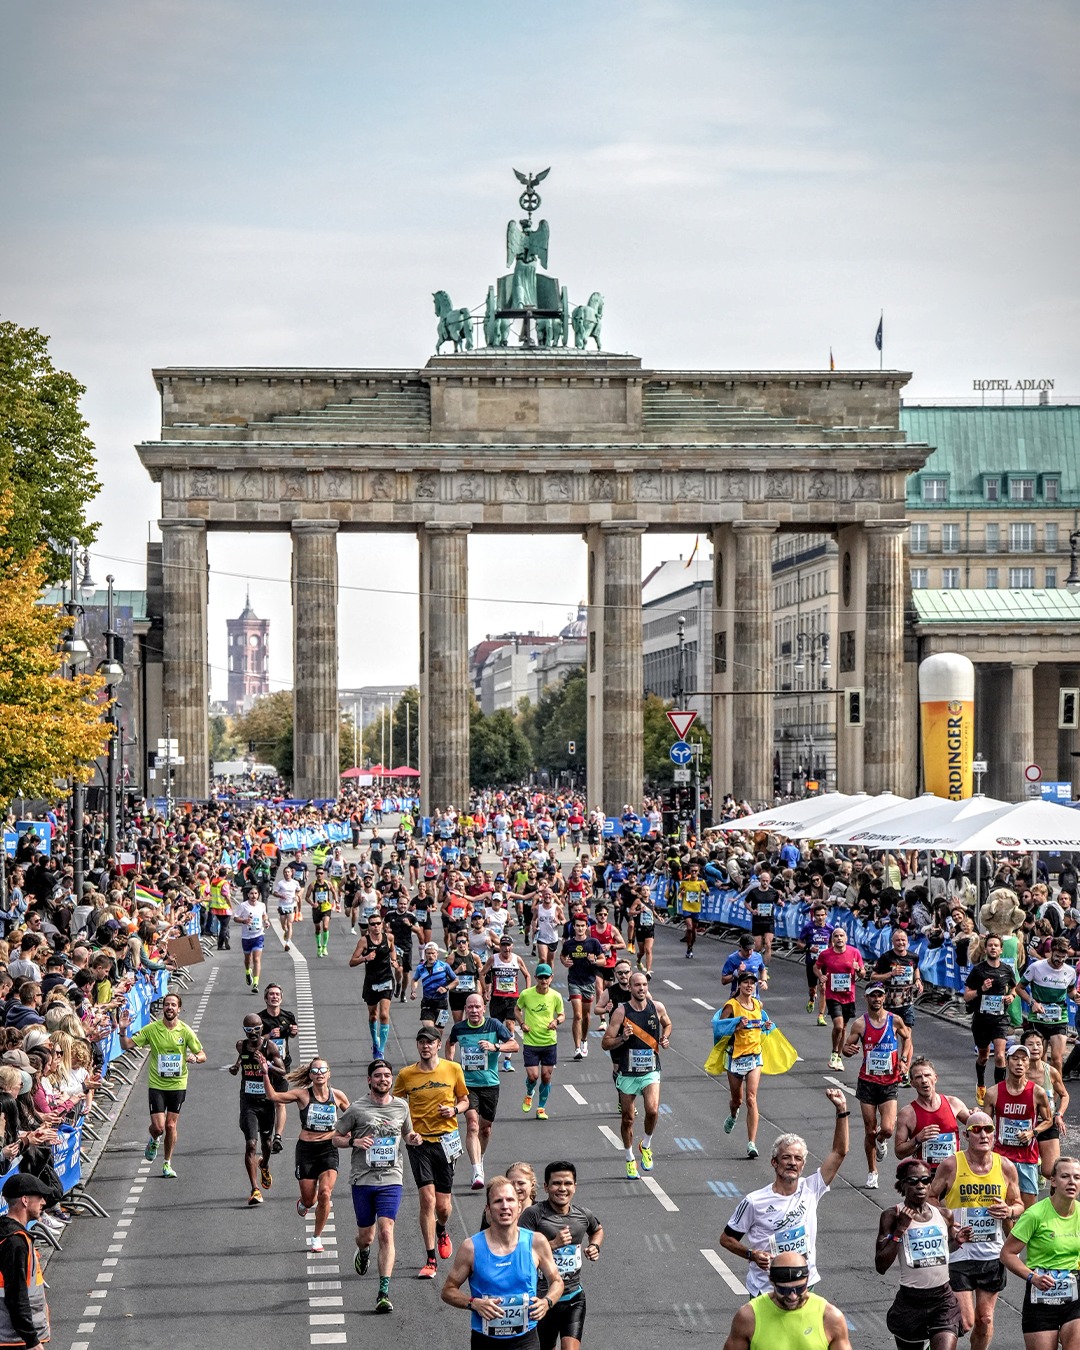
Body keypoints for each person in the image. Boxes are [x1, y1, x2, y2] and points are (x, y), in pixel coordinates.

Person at [720, 1088, 850, 1293]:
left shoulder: (811, 1188)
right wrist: (751, 1254)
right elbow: (726, 1239)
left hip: (804, 1284)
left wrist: (841, 1109)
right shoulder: (754, 1201)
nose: (792, 1163)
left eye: (798, 1159)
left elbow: (839, 1152)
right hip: (766, 1289)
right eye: (786, 1157)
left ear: (803, 1165)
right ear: (774, 1162)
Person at [333, 1058, 421, 1315]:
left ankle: (383, 1292)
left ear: (391, 1079)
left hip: (391, 1178)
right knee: (367, 1235)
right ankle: (363, 1251)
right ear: (369, 1080)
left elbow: (406, 1134)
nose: (383, 1079)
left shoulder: (401, 1106)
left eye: (387, 1075)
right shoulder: (357, 1109)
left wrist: (412, 1138)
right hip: (363, 1179)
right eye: (378, 1076)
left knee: (386, 1230)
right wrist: (353, 1143)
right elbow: (335, 1138)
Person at [931, 1111, 1023, 1350]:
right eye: (976, 1130)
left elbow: (1019, 1204)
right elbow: (930, 1198)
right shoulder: (951, 1164)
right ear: (966, 1135)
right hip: (958, 1251)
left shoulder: (1005, 1167)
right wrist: (949, 1220)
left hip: (991, 1252)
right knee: (966, 1320)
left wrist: (1009, 1211)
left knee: (985, 1319)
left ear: (994, 1134)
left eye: (988, 1129)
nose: (983, 1134)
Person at [441, 1173, 564, 1349]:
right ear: (488, 1209)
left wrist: (547, 1302)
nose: (505, 1206)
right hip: (485, 1340)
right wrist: (473, 1303)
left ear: (519, 1206)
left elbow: (557, 1282)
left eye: (510, 1200)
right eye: (498, 1201)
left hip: (525, 1339)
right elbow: (447, 1291)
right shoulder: (471, 1247)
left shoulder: (536, 1242)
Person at [393, 1027, 469, 1279]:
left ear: (438, 1045)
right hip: (419, 1144)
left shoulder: (452, 1069)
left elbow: (465, 1100)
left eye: (430, 1042)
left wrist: (455, 1110)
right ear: (417, 1046)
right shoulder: (406, 1075)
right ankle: (430, 1259)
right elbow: (395, 1105)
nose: (425, 1046)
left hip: (446, 1141)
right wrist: (406, 1133)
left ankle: (442, 1229)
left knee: (444, 1207)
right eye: (421, 1042)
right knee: (427, 1200)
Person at [259, 1054, 349, 1252]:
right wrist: (265, 1073)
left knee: (325, 1193)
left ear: (329, 1074)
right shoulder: (302, 1095)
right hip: (306, 1150)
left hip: (328, 1149)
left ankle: (316, 1237)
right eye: (315, 1071)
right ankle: (305, 1202)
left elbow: (352, 1116)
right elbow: (273, 1097)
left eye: (322, 1070)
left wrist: (353, 1133)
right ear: (310, 1075)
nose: (319, 1074)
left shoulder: (338, 1096)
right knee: (310, 1200)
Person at [875, 1156, 966, 1350]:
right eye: (913, 1181)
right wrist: (900, 1230)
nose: (920, 1186)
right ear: (902, 1185)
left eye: (925, 1180)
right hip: (910, 1303)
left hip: (942, 1300)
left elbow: (942, 1252)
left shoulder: (944, 1214)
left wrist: (955, 1242)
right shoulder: (892, 1216)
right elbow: (881, 1265)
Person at [118, 990, 205, 1179]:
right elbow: (126, 1046)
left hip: (178, 1083)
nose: (170, 1007)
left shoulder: (185, 1031)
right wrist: (123, 1030)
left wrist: (194, 1058)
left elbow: (202, 1055)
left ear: (179, 1009)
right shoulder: (152, 1029)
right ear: (163, 1008)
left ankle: (167, 1163)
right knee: (158, 1127)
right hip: (157, 1084)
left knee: (171, 1126)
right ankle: (154, 1139)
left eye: (173, 1005)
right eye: (167, 1004)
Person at [520, 1161, 603, 1350]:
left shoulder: (583, 1215)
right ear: (546, 1187)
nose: (562, 1188)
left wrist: (594, 1246)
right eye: (556, 1183)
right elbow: (518, 1253)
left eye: (567, 1183)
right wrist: (553, 1244)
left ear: (575, 1186)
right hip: (542, 1300)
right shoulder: (533, 1215)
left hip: (573, 1298)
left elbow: (597, 1230)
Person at [1001, 1154, 1080, 1350]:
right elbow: (1007, 1254)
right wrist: (1032, 1277)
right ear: (1053, 1180)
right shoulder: (1035, 1214)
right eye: (1065, 1176)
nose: (1072, 1182)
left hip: (1074, 1297)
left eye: (1077, 1177)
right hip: (1041, 1296)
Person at [600, 969, 671, 1178]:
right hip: (628, 1072)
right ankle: (630, 1157)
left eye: (644, 985)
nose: (641, 988)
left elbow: (667, 1024)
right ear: (629, 988)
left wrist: (665, 1038)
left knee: (652, 1110)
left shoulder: (656, 1007)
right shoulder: (621, 1012)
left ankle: (646, 1145)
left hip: (650, 1070)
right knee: (628, 1118)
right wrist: (623, 1038)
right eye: (637, 985)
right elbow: (605, 1043)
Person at [843, 982, 913, 1189]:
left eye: (880, 996)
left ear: (884, 998)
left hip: (889, 1082)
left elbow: (907, 1038)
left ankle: (882, 1141)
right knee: (870, 1129)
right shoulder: (860, 1024)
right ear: (866, 998)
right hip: (867, 1082)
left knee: (888, 1129)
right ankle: (872, 1171)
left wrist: (904, 1061)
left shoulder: (894, 1020)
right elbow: (847, 1046)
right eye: (873, 996)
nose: (877, 999)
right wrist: (848, 1050)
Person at [447, 992, 519, 1191]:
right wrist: (451, 1066)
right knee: (472, 1125)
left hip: (489, 1084)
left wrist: (495, 1046)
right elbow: (450, 1043)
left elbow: (515, 1046)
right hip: (467, 1085)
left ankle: (481, 1156)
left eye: (477, 1007)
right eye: (470, 1007)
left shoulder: (494, 1025)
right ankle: (477, 1169)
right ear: (466, 1009)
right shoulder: (459, 1028)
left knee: (485, 1128)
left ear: (483, 1008)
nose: (474, 1011)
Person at [720, 1249, 853, 1350]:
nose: (793, 1296)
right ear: (771, 1282)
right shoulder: (749, 1317)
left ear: (808, 1281)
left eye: (800, 1288)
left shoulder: (830, 1318)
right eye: (784, 1290)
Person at [985, 1041, 1052, 1211]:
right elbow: (985, 1124)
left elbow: (1048, 1120)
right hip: (1001, 1157)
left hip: (1027, 1158)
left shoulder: (1037, 1092)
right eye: (1015, 1059)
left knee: (1028, 1210)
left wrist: (1033, 1132)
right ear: (1007, 1061)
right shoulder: (993, 1092)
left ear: (1028, 1064)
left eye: (1023, 1059)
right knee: (1002, 1206)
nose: (1019, 1063)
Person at [716, 969, 773, 1159]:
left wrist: (765, 1025)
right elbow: (719, 1029)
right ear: (739, 985)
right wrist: (736, 1026)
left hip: (754, 1056)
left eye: (752, 982)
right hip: (735, 1058)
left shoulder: (757, 1003)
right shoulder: (731, 1005)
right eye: (746, 982)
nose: (749, 985)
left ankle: (751, 1143)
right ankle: (733, 1115)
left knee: (751, 1098)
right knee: (737, 1100)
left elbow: (763, 1022)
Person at [230, 1013, 284, 1206]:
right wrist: (236, 1068)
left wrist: (266, 1066)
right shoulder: (241, 1045)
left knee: (267, 1144)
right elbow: (241, 1060)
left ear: (261, 1028)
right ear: (244, 1030)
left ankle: (265, 1164)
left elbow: (283, 1071)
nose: (252, 1033)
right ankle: (255, 1189)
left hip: (266, 1101)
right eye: (248, 1030)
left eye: (256, 1029)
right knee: (251, 1144)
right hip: (248, 1102)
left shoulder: (270, 1047)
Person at [964, 934, 1018, 1107]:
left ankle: (998, 1091)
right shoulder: (978, 970)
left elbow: (1015, 988)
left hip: (1000, 1018)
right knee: (984, 1056)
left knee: (1001, 1056)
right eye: (990, 945)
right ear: (985, 949)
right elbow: (966, 996)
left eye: (996, 945)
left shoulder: (1007, 970)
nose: (993, 948)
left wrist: (1011, 996)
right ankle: (981, 1084)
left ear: (1001, 949)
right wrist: (981, 989)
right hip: (981, 1019)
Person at [0, 1173, 51, 1349]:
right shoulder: (15, 1243)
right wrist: (32, 1339)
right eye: (39, 1197)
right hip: (14, 1339)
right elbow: (16, 1295)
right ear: (25, 1200)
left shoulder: (6, 1233)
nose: (44, 1202)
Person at [895, 1056, 971, 1174]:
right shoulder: (907, 1114)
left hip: (953, 1173)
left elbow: (979, 1125)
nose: (924, 1080)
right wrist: (917, 1139)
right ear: (912, 1083)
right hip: (925, 1176)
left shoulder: (953, 1103)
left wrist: (977, 1113)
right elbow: (899, 1152)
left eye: (927, 1075)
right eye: (918, 1077)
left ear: (935, 1078)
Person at [1020, 939, 1078, 1074]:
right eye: (1057, 956)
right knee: (1039, 1059)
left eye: (1064, 957)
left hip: (1059, 1017)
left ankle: (1053, 1093)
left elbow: (1070, 991)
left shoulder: (1070, 971)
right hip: (1039, 1017)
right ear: (1051, 952)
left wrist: (1076, 997)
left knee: (1057, 1060)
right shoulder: (1036, 967)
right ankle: (1040, 1089)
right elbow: (1019, 988)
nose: (1060, 961)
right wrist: (1032, 1003)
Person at [814, 926, 865, 1072]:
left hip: (849, 996)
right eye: (836, 936)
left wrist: (858, 970)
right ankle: (834, 1052)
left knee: (843, 1028)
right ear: (832, 939)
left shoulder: (854, 953)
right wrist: (820, 976)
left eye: (842, 935)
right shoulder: (825, 954)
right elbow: (816, 968)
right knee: (838, 1025)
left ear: (846, 938)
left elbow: (862, 974)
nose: (839, 938)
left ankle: (838, 1057)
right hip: (833, 995)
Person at [517, 964, 565, 1121]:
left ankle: (541, 1108)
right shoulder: (526, 994)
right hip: (531, 1041)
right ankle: (529, 1093)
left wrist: (556, 1021)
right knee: (533, 1076)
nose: (544, 980)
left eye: (547, 977)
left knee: (546, 1076)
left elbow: (562, 1014)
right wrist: (522, 1023)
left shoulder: (556, 996)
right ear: (536, 978)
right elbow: (517, 1009)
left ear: (551, 977)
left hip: (549, 1041)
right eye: (541, 977)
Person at [873, 928, 924, 1076]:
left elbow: (916, 969)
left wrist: (918, 980)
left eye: (903, 940)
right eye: (897, 940)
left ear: (907, 942)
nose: (901, 943)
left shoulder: (913, 957)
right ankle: (890, 1066)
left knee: (907, 1035)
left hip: (907, 1003)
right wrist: (890, 974)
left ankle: (905, 1070)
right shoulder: (886, 958)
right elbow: (873, 977)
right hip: (889, 1005)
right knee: (890, 1037)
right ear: (892, 942)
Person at [349, 914, 400, 1060]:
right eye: (372, 924)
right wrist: (365, 958)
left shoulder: (389, 937)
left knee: (384, 1014)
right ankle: (375, 1041)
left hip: (386, 979)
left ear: (382, 924)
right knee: (373, 1016)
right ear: (369, 926)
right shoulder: (364, 941)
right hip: (371, 981)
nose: (376, 926)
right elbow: (352, 962)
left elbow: (392, 949)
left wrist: (394, 961)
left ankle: (380, 1050)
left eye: (378, 923)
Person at [1023, 1028, 1071, 1180]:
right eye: (1031, 1044)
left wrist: (1059, 1114)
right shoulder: (1016, 1072)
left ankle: (1040, 1168)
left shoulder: (1050, 1072)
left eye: (1038, 1044)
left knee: (1050, 1172)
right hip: (1022, 1125)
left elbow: (1064, 1095)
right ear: (1023, 1048)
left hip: (1047, 1123)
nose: (1035, 1048)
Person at [481, 934, 530, 1073]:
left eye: (508, 945)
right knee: (496, 1027)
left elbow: (527, 975)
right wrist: (485, 991)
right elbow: (482, 973)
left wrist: (526, 993)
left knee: (510, 1025)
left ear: (512, 946)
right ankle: (494, 1056)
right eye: (503, 945)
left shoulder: (516, 959)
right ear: (500, 947)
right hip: (497, 998)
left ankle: (507, 1061)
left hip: (512, 998)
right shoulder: (493, 959)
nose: (506, 948)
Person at [259, 984, 298, 1153]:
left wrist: (294, 1031)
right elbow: (254, 1041)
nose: (274, 997)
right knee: (266, 1101)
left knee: (280, 1101)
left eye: (277, 994)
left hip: (283, 1064)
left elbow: (292, 1033)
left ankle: (278, 1137)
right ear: (266, 998)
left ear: (281, 998)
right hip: (264, 1065)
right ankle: (266, 1133)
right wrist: (268, 1037)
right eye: (271, 994)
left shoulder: (288, 1016)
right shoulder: (259, 1019)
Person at [560, 915, 603, 1060]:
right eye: (577, 925)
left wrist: (595, 960)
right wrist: (565, 962)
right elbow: (562, 956)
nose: (580, 928)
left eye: (582, 926)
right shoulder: (569, 944)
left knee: (586, 1015)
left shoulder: (593, 942)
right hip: (574, 981)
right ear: (573, 927)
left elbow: (603, 960)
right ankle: (577, 1048)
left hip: (589, 982)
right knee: (577, 1015)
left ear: (586, 927)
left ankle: (584, 1040)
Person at [796, 903, 832, 1020]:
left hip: (825, 964)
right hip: (812, 962)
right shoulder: (808, 927)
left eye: (822, 915)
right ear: (814, 916)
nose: (820, 918)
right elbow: (799, 943)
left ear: (826, 915)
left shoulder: (830, 929)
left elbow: (832, 944)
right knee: (813, 988)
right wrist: (808, 948)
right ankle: (812, 998)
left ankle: (821, 1015)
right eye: (817, 915)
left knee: (823, 988)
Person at [412, 943, 459, 1031]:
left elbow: (456, 981)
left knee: (439, 1032)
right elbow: (414, 980)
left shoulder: (444, 966)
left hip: (441, 1002)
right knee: (429, 1029)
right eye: (428, 953)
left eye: (433, 953)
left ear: (437, 953)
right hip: (427, 1002)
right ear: (425, 954)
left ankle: (438, 1044)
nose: (431, 956)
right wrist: (413, 991)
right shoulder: (420, 968)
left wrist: (446, 988)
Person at [235, 883, 268, 993]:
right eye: (251, 894)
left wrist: (266, 921)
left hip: (258, 935)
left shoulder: (262, 905)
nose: (254, 896)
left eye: (255, 893)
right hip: (246, 937)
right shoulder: (243, 906)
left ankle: (255, 983)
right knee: (248, 959)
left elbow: (264, 915)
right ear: (248, 895)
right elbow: (235, 918)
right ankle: (247, 971)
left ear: (258, 895)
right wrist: (243, 921)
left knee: (256, 959)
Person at [448, 931, 486, 1024]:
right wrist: (457, 971)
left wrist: (484, 991)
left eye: (463, 942)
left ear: (468, 942)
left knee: (471, 1021)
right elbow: (444, 976)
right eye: (458, 942)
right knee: (458, 1023)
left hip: (471, 993)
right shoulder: (452, 957)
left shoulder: (475, 957)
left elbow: (481, 975)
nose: (461, 944)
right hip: (456, 994)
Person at [305, 865, 338, 958]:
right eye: (318, 873)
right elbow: (306, 897)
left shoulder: (328, 883)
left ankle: (325, 946)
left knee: (326, 926)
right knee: (318, 928)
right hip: (316, 909)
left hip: (326, 908)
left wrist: (336, 902)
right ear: (315, 874)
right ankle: (319, 946)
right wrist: (312, 904)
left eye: (321, 873)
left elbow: (333, 892)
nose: (319, 875)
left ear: (324, 874)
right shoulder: (312, 885)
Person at [271, 862, 301, 951]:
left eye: (288, 872)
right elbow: (274, 893)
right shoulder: (281, 883)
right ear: (283, 874)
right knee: (283, 925)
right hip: (282, 905)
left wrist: (296, 896)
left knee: (289, 923)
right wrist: (280, 896)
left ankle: (287, 943)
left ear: (291, 873)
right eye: (285, 872)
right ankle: (286, 931)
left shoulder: (295, 882)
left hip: (291, 905)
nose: (287, 874)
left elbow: (298, 890)